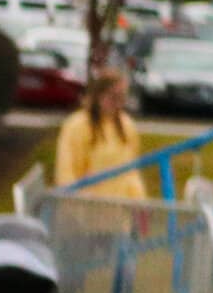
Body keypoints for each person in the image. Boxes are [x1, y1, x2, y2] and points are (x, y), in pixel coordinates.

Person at [53, 71, 147, 201]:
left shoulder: (127, 125)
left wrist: (140, 200)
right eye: (113, 97)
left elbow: (132, 172)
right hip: (88, 208)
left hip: (120, 209)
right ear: (97, 96)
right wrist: (76, 199)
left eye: (122, 98)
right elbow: (66, 171)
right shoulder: (77, 125)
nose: (118, 103)